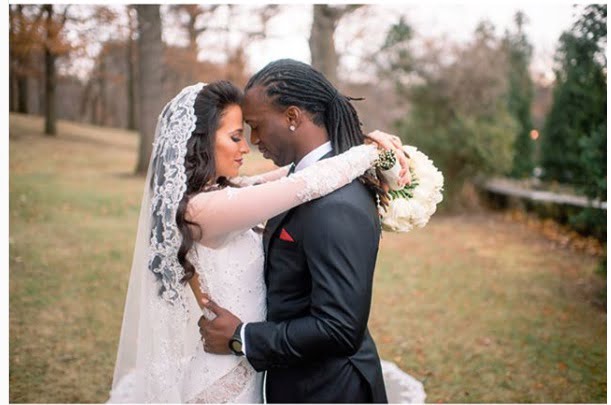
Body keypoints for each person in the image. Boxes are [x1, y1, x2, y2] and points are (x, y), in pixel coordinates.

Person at [108, 77, 411, 403]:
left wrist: (361, 143)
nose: (246, 147)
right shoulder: (199, 210)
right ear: (201, 141)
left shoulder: (222, 194)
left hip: (253, 368)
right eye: (236, 136)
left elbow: (291, 174)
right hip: (226, 378)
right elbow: (303, 183)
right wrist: (368, 153)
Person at [198, 59, 414, 403]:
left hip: (330, 391)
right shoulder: (302, 181)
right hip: (296, 383)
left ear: (293, 117)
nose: (253, 140)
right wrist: (366, 147)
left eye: (256, 126)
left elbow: (340, 327)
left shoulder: (337, 204)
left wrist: (244, 337)